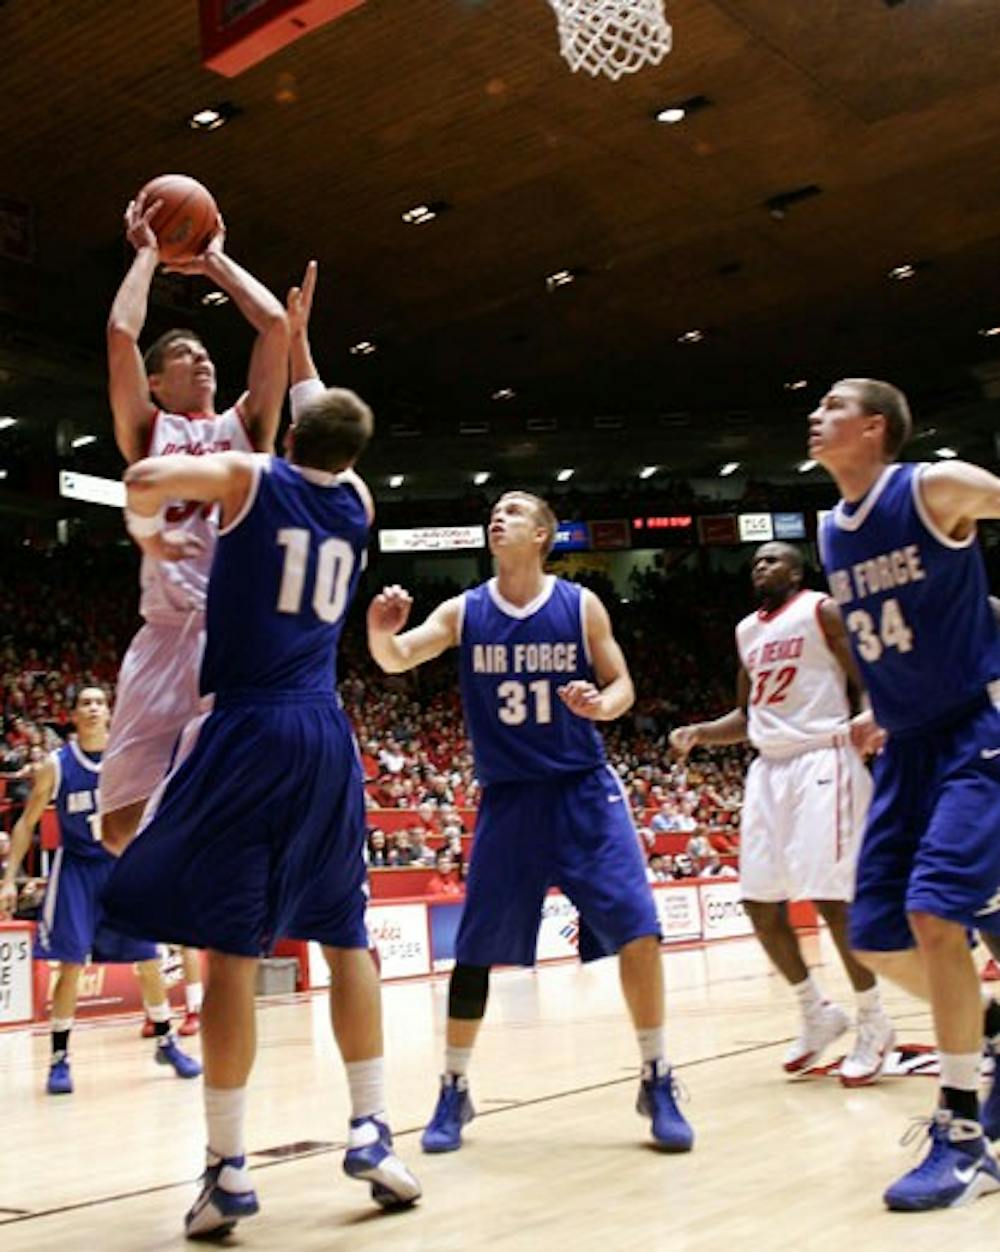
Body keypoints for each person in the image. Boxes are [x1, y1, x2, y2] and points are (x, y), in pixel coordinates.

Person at [101, 385, 420, 1238]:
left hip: (247, 727)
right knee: (346, 936)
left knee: (232, 953)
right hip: (325, 732)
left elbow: (143, 479)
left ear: (289, 436)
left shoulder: (248, 476)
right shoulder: (357, 500)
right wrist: (296, 339)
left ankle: (228, 1170)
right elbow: (326, 417)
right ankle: (373, 1129)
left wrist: (152, 538)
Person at [368, 491, 693, 1156]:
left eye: (515, 511)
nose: (499, 516)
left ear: (543, 533)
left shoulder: (580, 605)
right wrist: (380, 631)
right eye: (495, 510)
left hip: (582, 790)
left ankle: (657, 1076)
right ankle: (454, 1086)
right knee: (474, 952)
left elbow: (622, 685)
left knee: (639, 930)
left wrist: (602, 705)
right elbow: (398, 657)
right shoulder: (466, 610)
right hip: (510, 798)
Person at [812, 376, 1000, 1211]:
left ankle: (961, 1139)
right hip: (905, 745)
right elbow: (885, 638)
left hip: (975, 729)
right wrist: (876, 709)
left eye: (833, 406)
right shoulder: (831, 529)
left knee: (934, 915)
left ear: (875, 427)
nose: (816, 415)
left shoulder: (935, 487)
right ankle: (989, 1029)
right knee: (879, 937)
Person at [100, 189, 288, 853]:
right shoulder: (147, 430)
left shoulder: (247, 427)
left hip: (234, 633)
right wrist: (148, 256)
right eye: (185, 352)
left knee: (246, 803)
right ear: (155, 381)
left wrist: (215, 262)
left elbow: (275, 328)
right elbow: (121, 335)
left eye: (205, 352)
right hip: (162, 633)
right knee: (118, 827)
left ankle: (229, 872)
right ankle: (197, 858)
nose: (203, 358)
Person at [670, 541, 894, 1086]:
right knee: (759, 902)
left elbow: (868, 676)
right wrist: (701, 732)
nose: (761, 567)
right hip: (768, 768)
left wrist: (874, 717)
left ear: (796, 572)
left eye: (772, 560)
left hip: (824, 756)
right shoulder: (747, 631)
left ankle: (874, 1021)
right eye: (756, 562)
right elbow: (748, 716)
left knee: (831, 898)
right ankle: (817, 1012)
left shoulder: (822, 610)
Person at [0, 687, 200, 1094]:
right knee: (71, 964)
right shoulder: (55, 765)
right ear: (72, 715)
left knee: (148, 959)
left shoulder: (129, 760)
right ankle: (59, 1058)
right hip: (76, 870)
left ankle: (166, 1040)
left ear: (110, 713)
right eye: (85, 703)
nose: (92, 708)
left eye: (99, 703)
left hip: (122, 866)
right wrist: (8, 878)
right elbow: (26, 822)